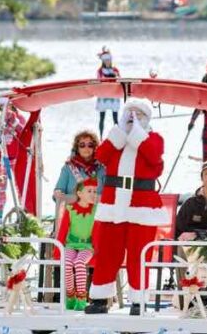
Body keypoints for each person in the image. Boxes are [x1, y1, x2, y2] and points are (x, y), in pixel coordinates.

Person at [85, 98, 165, 316]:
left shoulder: (154, 139)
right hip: (113, 205)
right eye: (130, 114)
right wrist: (120, 131)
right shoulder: (115, 139)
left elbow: (154, 156)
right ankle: (100, 299)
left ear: (147, 119)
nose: (133, 119)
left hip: (142, 208)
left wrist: (138, 133)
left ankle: (138, 302)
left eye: (138, 115)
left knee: (139, 255)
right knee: (107, 253)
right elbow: (100, 156)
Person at [57, 177, 98, 311]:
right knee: (67, 263)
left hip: (87, 246)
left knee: (79, 263)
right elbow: (63, 229)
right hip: (71, 245)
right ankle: (70, 296)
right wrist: (59, 248)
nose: (93, 194)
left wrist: (97, 248)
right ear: (80, 194)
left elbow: (98, 230)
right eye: (89, 191)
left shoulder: (96, 210)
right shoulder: (70, 209)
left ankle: (81, 299)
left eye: (95, 191)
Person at [0, 95, 26, 223]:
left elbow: (23, 132)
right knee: (1, 188)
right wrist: (0, 128)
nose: (5, 110)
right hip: (2, 158)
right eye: (2, 107)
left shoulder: (19, 118)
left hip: (17, 158)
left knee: (19, 187)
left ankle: (23, 214)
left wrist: (14, 121)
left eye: (8, 107)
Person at [53, 130, 105, 206]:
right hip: (73, 214)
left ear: (95, 148)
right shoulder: (68, 168)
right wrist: (58, 194)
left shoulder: (102, 169)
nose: (86, 148)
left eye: (90, 145)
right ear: (77, 148)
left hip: (96, 214)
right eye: (82, 145)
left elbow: (111, 193)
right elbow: (58, 192)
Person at [95, 47, 121, 136]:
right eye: (105, 60)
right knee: (102, 118)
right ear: (103, 61)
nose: (107, 62)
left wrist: (116, 76)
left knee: (115, 118)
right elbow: (98, 81)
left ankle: (118, 137)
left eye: (109, 60)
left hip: (114, 96)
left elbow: (120, 80)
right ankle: (101, 137)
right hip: (103, 96)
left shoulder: (115, 70)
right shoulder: (100, 71)